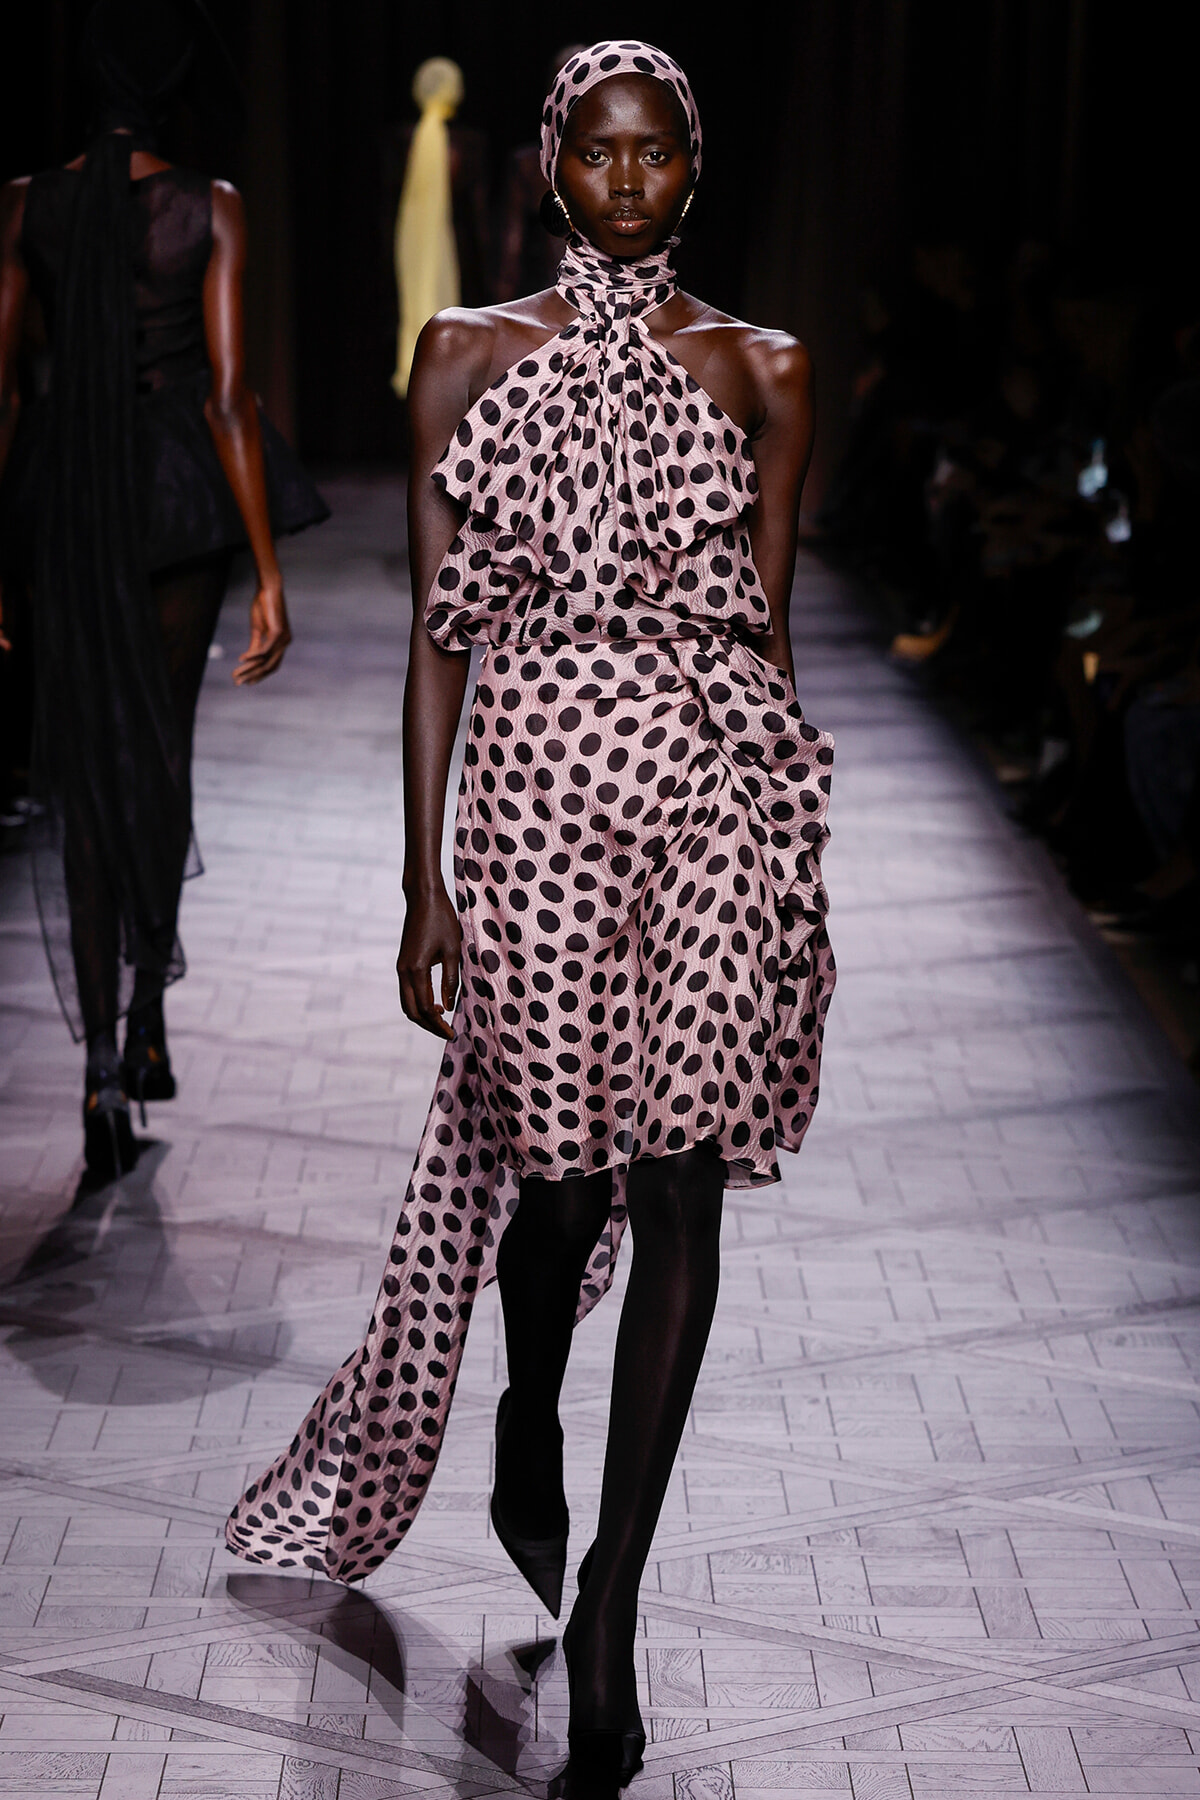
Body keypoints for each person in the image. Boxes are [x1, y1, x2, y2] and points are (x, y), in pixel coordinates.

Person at [226, 42, 835, 1794]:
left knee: (682, 1182)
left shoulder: (765, 370)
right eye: (600, 151)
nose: (629, 182)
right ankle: (519, 1398)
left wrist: (790, 869)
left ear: (690, 170)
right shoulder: (466, 358)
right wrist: (426, 881)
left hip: (709, 807)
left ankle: (619, 1594)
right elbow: (439, 641)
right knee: (556, 1188)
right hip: (537, 812)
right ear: (552, 163)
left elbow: (768, 633)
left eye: (656, 157)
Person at [0, 0, 327, 1178]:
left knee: (83, 778)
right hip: (177, 502)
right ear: (180, 85)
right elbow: (227, 395)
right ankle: (144, 1023)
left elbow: (5, 391)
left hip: (66, 499)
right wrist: (272, 571)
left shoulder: (28, 203)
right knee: (162, 751)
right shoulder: (211, 206)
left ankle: (95, 1074)